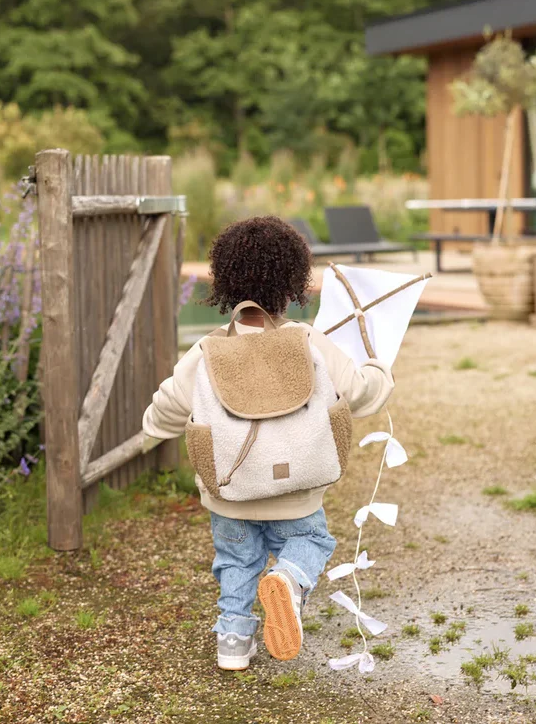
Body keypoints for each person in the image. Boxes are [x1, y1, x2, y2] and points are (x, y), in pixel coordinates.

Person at [143, 215, 393, 670]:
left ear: (225, 283)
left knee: (236, 563)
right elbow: (360, 393)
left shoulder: (207, 352)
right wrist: (380, 370)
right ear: (292, 284)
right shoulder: (309, 342)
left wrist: (151, 427)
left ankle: (234, 641)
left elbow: (170, 404)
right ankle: (288, 579)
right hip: (298, 493)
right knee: (312, 542)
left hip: (232, 494)